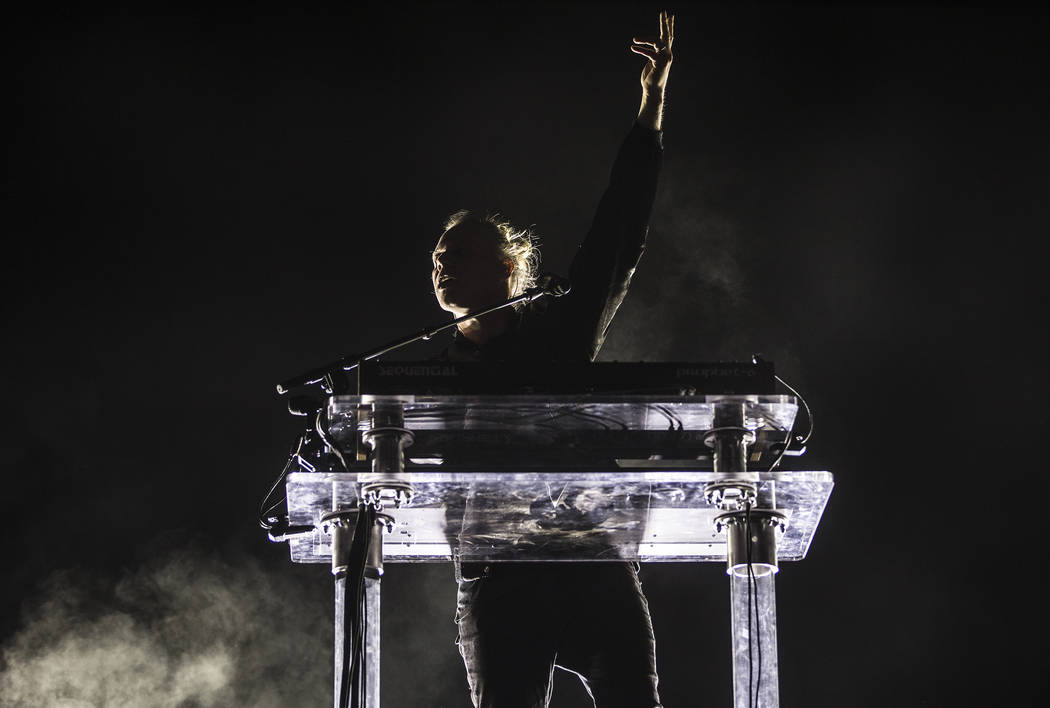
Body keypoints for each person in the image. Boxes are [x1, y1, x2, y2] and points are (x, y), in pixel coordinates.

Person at [431, 11, 674, 708]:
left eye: (460, 254)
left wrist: (650, 110)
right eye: (436, 259)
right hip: (494, 580)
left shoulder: (559, 329)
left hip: (588, 562)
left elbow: (619, 233)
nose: (442, 266)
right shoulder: (429, 377)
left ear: (510, 269)